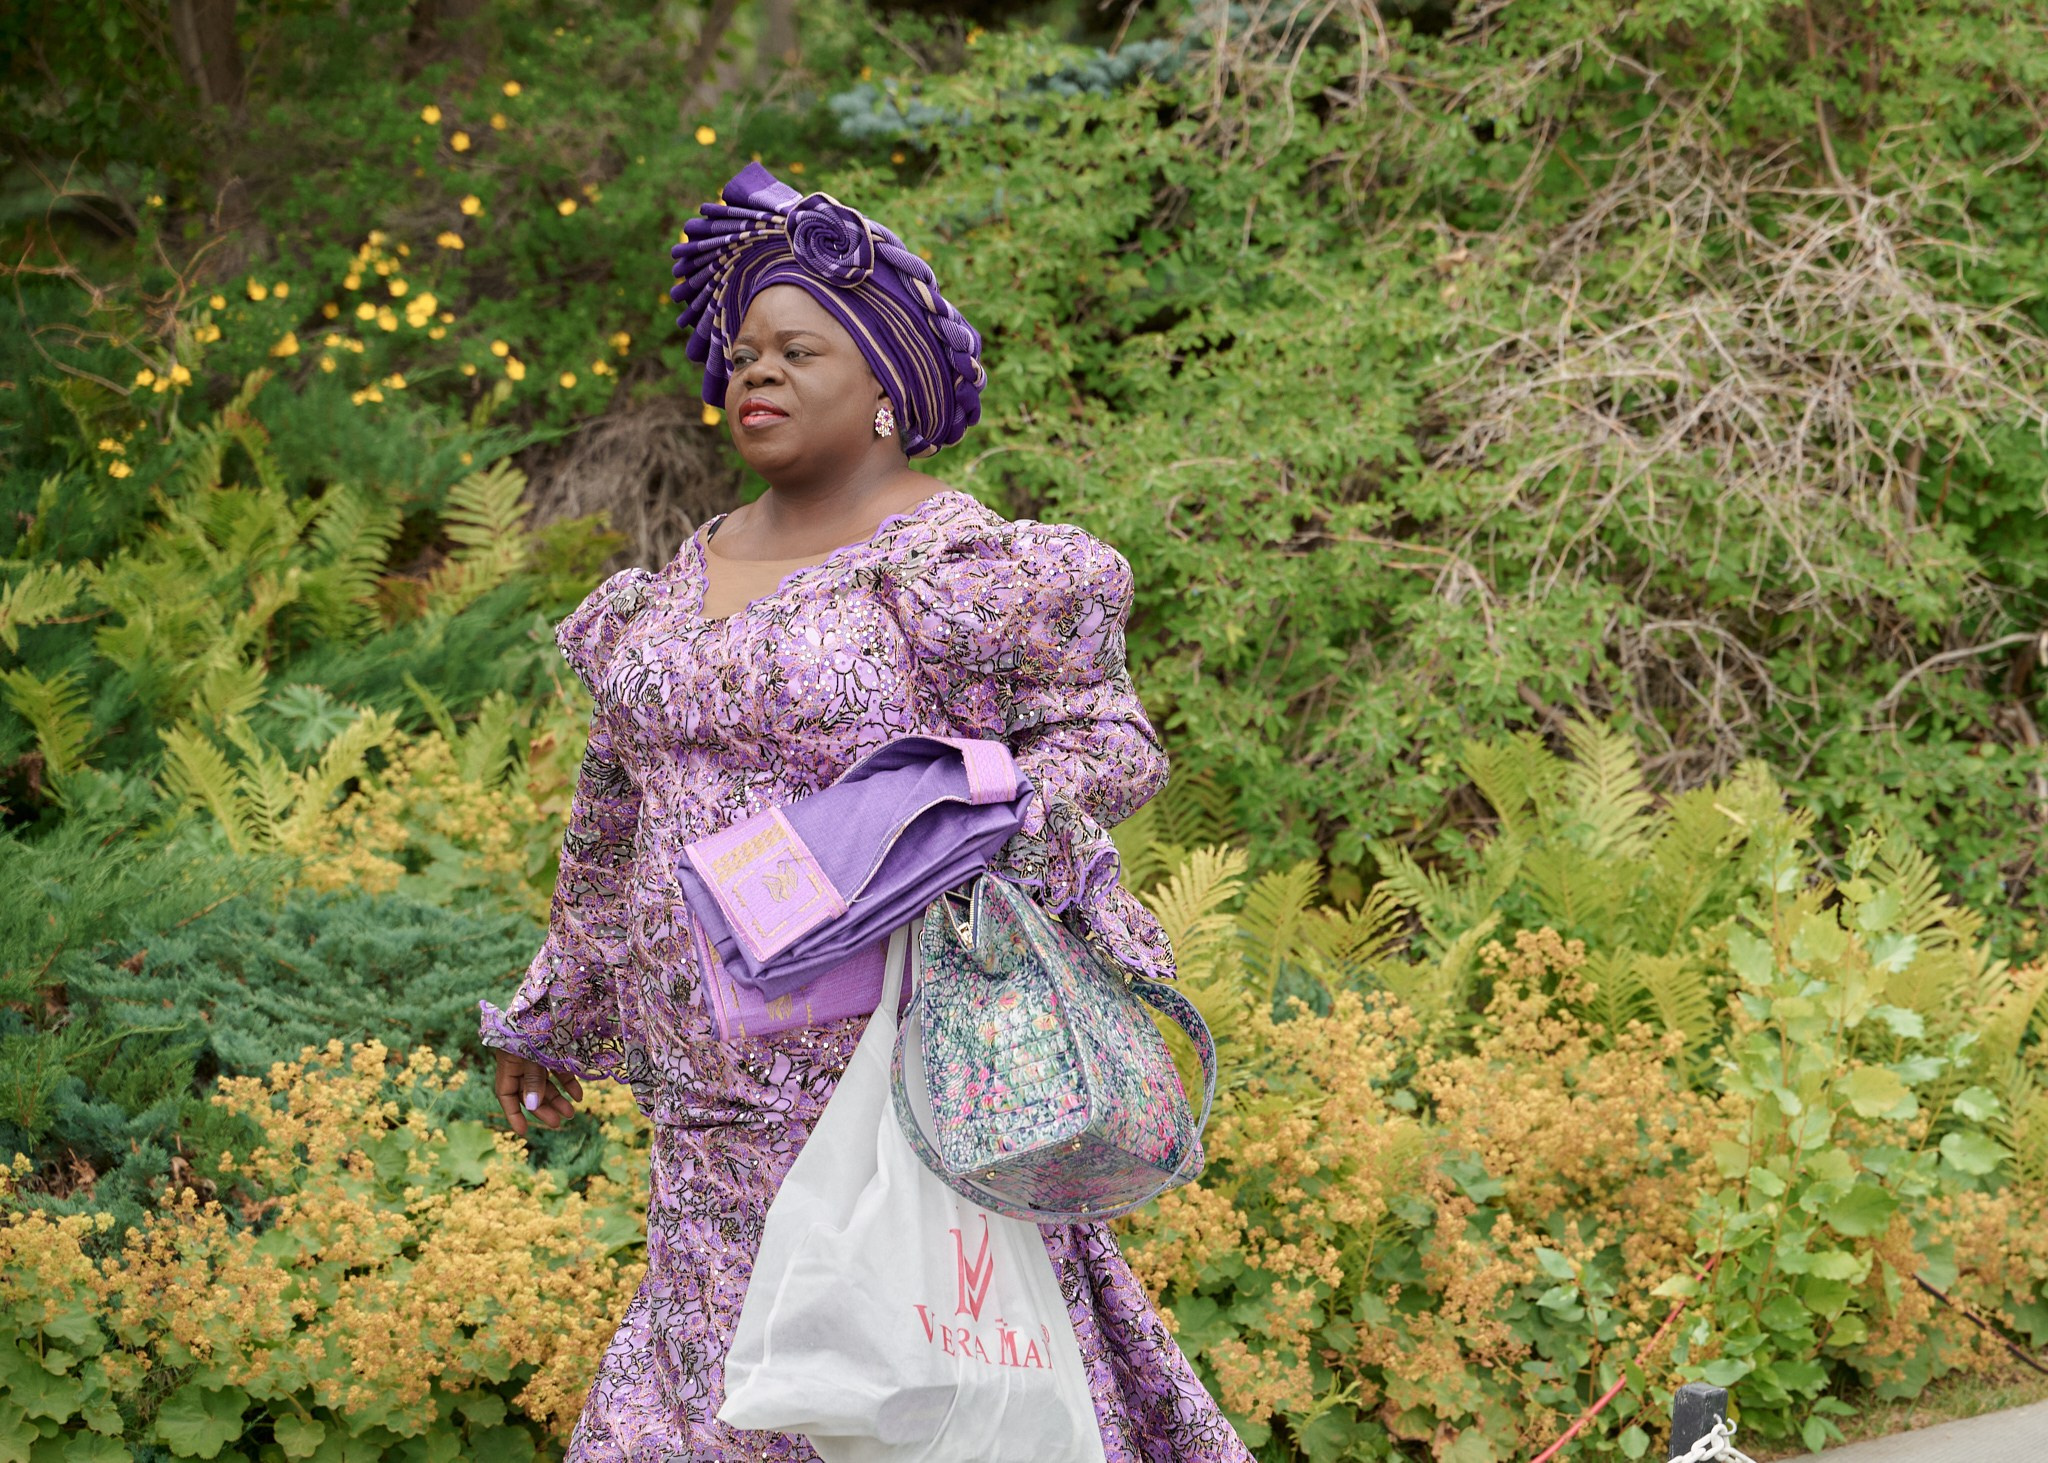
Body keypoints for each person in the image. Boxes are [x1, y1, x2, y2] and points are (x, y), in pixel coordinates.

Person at [480, 163, 1251, 1463]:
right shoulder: (664, 590)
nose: (752, 373)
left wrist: (968, 819)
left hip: (888, 1093)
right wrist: (557, 1007)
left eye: (797, 350)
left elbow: (1106, 741)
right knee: (701, 1394)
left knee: (906, 1400)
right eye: (740, 354)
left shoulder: (957, 572)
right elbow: (611, 813)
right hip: (705, 1115)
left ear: (889, 381)